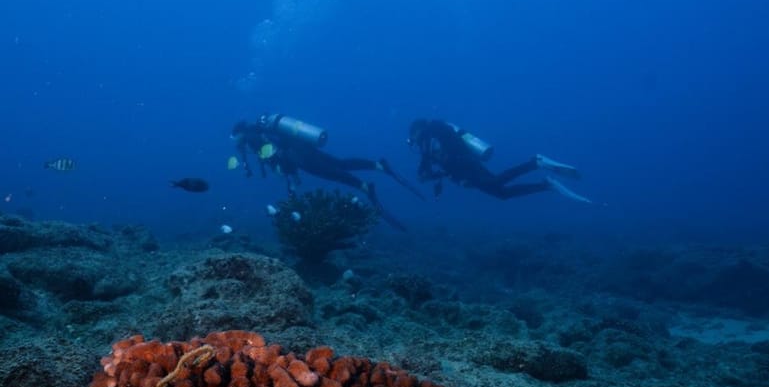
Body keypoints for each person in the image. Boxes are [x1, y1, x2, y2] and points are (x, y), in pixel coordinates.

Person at [231, 114, 424, 230]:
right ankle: (378, 166)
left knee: (330, 173)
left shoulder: (251, 138)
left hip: (299, 156)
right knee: (339, 164)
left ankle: (364, 187)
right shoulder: (260, 130)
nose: (236, 142)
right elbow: (278, 148)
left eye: (235, 138)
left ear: (239, 133)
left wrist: (288, 175)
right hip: (303, 147)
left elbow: (273, 156)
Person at [407, 118, 592, 203]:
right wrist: (456, 179)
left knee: (496, 183)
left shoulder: (428, 137)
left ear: (417, 131)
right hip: (466, 167)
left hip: (466, 166)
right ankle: (546, 186)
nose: (412, 141)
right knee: (501, 194)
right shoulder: (433, 138)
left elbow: (434, 165)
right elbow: (443, 165)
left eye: (412, 136)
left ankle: (535, 162)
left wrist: (426, 175)